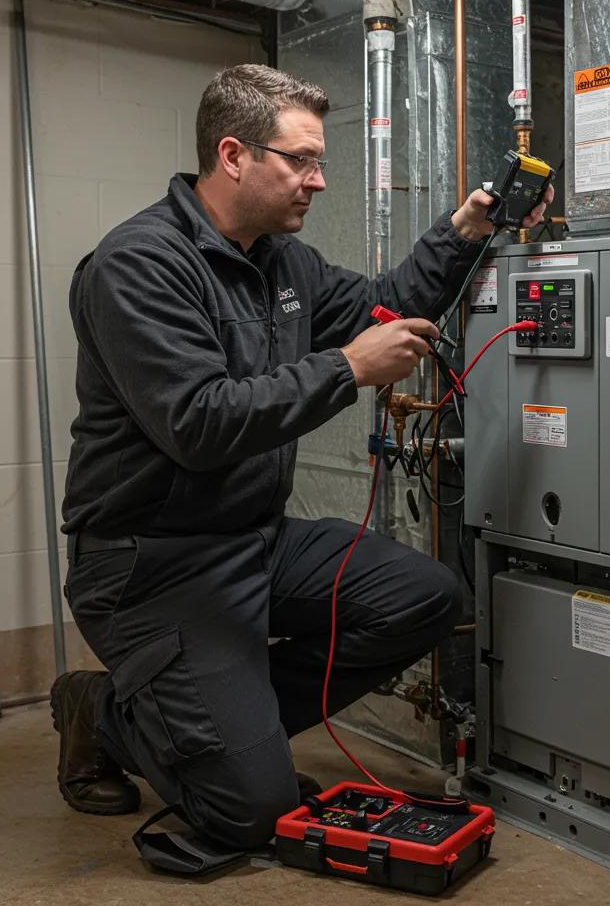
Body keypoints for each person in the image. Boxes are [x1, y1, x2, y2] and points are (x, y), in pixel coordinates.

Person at [51, 63, 552, 851]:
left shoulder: (284, 261)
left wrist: (463, 231)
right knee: (252, 815)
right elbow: (196, 423)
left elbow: (387, 305)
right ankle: (104, 710)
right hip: (149, 562)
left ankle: (220, 723)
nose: (318, 181)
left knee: (425, 597)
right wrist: (347, 368)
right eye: (302, 161)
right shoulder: (139, 265)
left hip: (254, 539)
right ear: (233, 155)